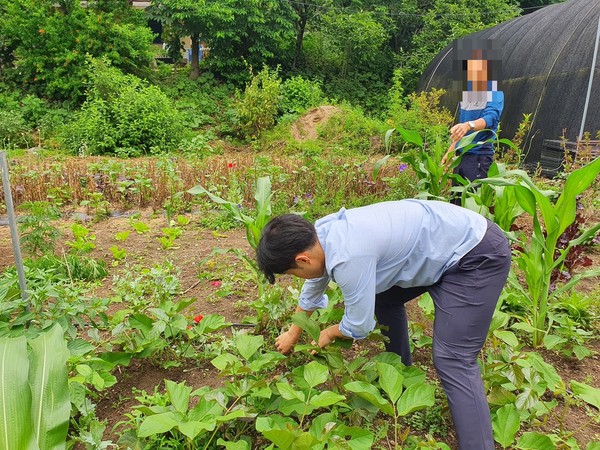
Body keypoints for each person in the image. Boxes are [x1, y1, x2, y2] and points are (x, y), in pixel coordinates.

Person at [256, 199, 511, 450]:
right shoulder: (321, 234)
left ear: (302, 259)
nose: (298, 278)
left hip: (474, 253)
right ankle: (400, 374)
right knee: (382, 296)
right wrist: (293, 331)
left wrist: (329, 332)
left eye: (292, 274)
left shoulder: (349, 257)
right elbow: (314, 285)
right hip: (438, 242)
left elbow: (359, 325)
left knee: (453, 358)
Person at [442, 48, 504, 187]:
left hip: (479, 156)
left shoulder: (494, 91)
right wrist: (450, 152)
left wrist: (469, 125)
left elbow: (491, 118)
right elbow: (461, 129)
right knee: (457, 203)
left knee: (473, 202)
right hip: (461, 156)